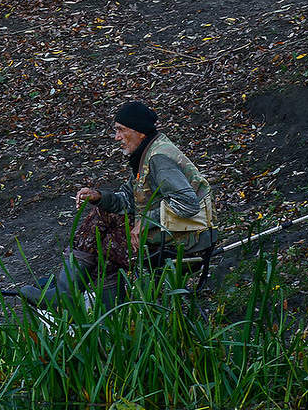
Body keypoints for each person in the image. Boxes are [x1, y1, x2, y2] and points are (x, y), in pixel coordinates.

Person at [20, 101, 213, 309]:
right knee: (101, 216)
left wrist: (146, 221)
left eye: (121, 130)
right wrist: (99, 197)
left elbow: (188, 203)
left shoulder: (159, 159)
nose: (116, 137)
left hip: (189, 241)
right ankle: (77, 299)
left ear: (139, 131)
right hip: (173, 232)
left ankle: (90, 305)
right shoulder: (146, 153)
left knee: (106, 243)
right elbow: (128, 200)